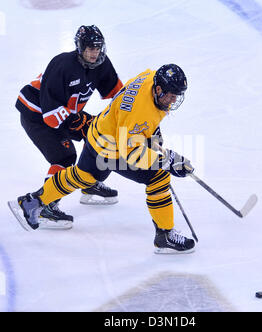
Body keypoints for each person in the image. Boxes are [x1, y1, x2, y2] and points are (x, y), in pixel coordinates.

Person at [10, 64, 196, 254]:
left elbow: (139, 121)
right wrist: (167, 161)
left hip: (98, 132)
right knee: (158, 177)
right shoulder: (140, 111)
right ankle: (165, 235)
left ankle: (32, 202)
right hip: (112, 148)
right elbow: (131, 153)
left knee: (82, 176)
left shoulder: (150, 76)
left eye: (177, 96)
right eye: (171, 95)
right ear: (158, 89)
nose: (173, 101)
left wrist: (152, 137)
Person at [15, 25, 123, 229]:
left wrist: (132, 114)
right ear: (79, 47)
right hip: (37, 114)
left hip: (63, 112)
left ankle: (89, 183)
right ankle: (45, 206)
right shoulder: (62, 65)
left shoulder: (101, 63)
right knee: (64, 158)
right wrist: (79, 122)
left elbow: (119, 95)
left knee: (101, 135)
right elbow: (51, 118)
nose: (94, 53)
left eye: (97, 48)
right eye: (89, 48)